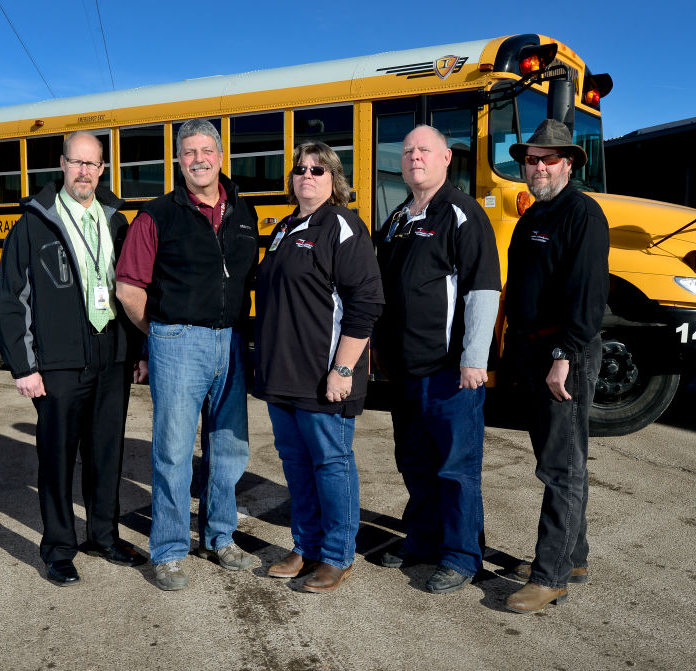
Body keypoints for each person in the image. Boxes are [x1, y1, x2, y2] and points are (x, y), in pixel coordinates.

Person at [0, 130, 146, 586]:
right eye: (76, 162)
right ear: (62, 165)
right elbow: (10, 298)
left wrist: (136, 353)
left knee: (107, 452)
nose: (84, 171)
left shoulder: (118, 222)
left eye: (92, 164)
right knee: (57, 458)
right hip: (59, 361)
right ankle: (59, 548)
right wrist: (24, 366)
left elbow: (134, 289)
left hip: (112, 353)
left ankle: (103, 534)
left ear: (103, 170)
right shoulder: (33, 224)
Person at [115, 119, 259, 591]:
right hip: (178, 342)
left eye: (206, 150)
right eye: (188, 152)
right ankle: (170, 550)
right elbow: (128, 287)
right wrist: (158, 334)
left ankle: (220, 537)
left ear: (220, 155)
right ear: (178, 160)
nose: (198, 158)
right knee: (174, 451)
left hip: (231, 342)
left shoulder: (244, 211)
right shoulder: (155, 216)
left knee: (229, 447)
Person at [374, 125, 501, 594]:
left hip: (449, 371)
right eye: (407, 152)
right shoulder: (399, 217)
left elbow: (484, 288)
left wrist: (474, 359)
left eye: (424, 150)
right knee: (414, 462)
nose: (414, 158)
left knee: (455, 468)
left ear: (447, 157)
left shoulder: (461, 213)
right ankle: (423, 541)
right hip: (404, 372)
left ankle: (462, 555)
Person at [254, 142, 384, 593]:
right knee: (295, 464)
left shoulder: (343, 226)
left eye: (317, 169)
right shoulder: (287, 226)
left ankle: (337, 555)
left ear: (334, 180)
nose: (306, 176)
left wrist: (342, 370)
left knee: (331, 464)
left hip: (322, 376)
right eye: (299, 169)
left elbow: (365, 304)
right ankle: (305, 545)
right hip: (281, 376)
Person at [501, 119, 610, 613]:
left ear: (568, 163)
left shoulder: (581, 213)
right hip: (533, 353)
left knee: (561, 469)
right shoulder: (532, 217)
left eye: (549, 159)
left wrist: (564, 356)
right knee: (560, 461)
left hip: (563, 356)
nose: (538, 166)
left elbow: (587, 294)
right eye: (531, 159)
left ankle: (551, 576)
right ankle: (575, 557)